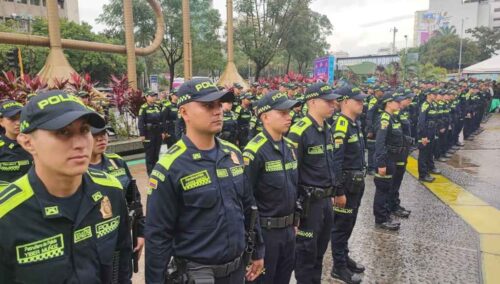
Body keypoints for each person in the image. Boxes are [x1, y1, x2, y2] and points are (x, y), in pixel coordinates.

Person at [0, 90, 132, 283]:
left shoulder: (110, 191)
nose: (80, 144)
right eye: (63, 132)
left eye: (84, 130)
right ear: (27, 142)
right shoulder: (7, 215)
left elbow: (121, 265)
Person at [145, 78, 265, 284]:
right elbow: (158, 237)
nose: (217, 111)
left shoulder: (233, 154)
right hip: (197, 275)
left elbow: (248, 206)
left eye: (219, 104)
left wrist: (258, 250)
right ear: (184, 112)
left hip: (236, 271)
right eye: (208, 105)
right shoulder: (170, 167)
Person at [243, 91, 300, 284]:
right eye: (282, 112)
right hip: (266, 234)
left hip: (288, 232)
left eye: (289, 111)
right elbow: (246, 200)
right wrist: (254, 244)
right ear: (265, 117)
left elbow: (293, 188)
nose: (289, 116)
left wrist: (295, 220)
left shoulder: (290, 147)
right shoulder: (254, 151)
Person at [288, 82, 339, 284]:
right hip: (309, 204)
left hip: (326, 202)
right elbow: (292, 174)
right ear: (312, 102)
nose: (333, 104)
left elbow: (330, 165)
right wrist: (295, 212)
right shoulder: (299, 131)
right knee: (305, 255)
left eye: (333, 101)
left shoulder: (327, 128)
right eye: (328, 101)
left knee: (319, 253)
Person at [89, 126, 146, 264]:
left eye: (104, 133)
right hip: (92, 246)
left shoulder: (117, 162)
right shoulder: (76, 169)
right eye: (94, 134)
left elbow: (134, 200)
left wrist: (140, 233)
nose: (101, 138)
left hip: (121, 239)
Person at [329, 86, 367, 284]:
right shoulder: (341, 125)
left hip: (356, 183)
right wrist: (339, 191)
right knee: (341, 227)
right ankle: (338, 266)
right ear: (344, 102)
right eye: (357, 101)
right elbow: (336, 162)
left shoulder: (354, 124)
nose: (361, 104)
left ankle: (344, 256)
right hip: (346, 185)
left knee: (349, 223)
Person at [373, 92, 406, 231]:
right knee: (383, 189)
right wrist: (381, 163)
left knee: (388, 188)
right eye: (396, 102)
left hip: (393, 158)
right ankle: (381, 219)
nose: (399, 104)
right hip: (386, 158)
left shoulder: (392, 118)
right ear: (388, 103)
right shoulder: (384, 119)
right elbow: (380, 143)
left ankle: (385, 215)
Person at [388, 90, 415, 219]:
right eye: (406, 99)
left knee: (398, 180)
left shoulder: (403, 112)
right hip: (397, 152)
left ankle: (395, 204)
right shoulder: (393, 114)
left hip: (403, 151)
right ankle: (390, 206)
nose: (408, 101)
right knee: (393, 181)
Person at [0, 100, 33, 190]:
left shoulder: (36, 142)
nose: (18, 122)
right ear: (1, 121)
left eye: (21, 118)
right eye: (12, 118)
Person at [417, 89, 440, 182]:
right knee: (423, 154)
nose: (435, 96)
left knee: (429, 152)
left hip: (431, 132)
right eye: (433, 94)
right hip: (425, 133)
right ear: (428, 95)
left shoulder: (433, 105)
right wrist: (423, 136)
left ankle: (428, 171)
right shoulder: (425, 105)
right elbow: (421, 122)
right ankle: (422, 175)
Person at [138, 91, 163, 175]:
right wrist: (142, 134)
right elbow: (140, 122)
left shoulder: (157, 107)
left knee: (156, 153)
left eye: (155, 96)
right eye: (152, 96)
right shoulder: (143, 108)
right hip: (149, 133)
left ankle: (156, 172)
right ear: (146, 97)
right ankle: (150, 173)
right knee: (150, 154)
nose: (154, 98)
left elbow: (161, 120)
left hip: (157, 133)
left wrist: (162, 131)